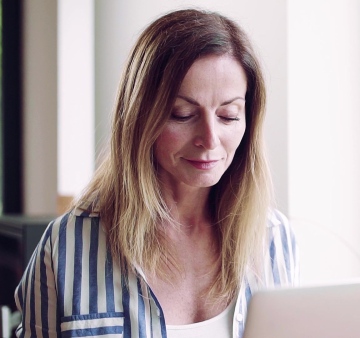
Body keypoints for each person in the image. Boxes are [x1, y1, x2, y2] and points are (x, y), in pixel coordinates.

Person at [14, 8, 298, 338]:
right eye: (182, 114)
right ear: (139, 117)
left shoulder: (274, 238)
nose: (209, 139)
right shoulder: (66, 247)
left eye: (229, 116)